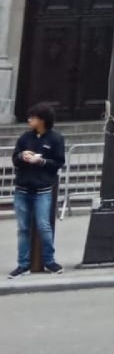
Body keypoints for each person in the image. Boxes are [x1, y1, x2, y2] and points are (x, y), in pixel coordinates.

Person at [9, 102, 66, 278]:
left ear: (42, 120)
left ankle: (49, 260)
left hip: (42, 188)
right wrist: (21, 156)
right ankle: (23, 264)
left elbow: (59, 162)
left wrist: (41, 161)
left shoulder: (55, 139)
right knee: (23, 228)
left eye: (32, 117)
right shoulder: (25, 138)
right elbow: (15, 158)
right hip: (23, 188)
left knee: (44, 226)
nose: (29, 120)